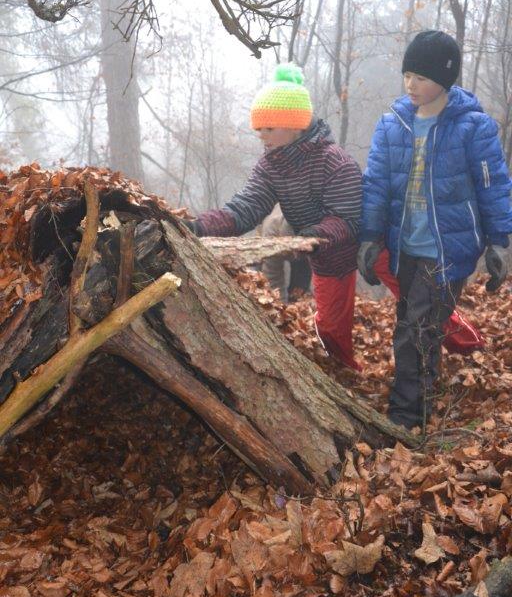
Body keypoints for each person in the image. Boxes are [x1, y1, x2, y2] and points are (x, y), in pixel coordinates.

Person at [358, 30, 512, 430]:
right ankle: (420, 398)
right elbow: (376, 185)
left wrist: (499, 242)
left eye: (421, 77)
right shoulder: (392, 125)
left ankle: (407, 419)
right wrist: (370, 237)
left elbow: (493, 185)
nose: (410, 84)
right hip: (406, 247)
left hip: (448, 250)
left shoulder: (473, 127)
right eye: (407, 75)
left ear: (444, 80)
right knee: (415, 324)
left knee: (418, 329)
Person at [183, 63, 363, 372]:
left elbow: (348, 218)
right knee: (329, 329)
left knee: (415, 307)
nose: (261, 135)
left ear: (295, 126)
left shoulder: (334, 162)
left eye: (268, 128)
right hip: (321, 255)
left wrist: (313, 236)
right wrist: (198, 227)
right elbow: (246, 207)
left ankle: (350, 375)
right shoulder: (271, 165)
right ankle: (342, 372)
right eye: (259, 129)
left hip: (356, 249)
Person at [259, 204, 312, 302]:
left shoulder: (317, 228)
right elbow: (273, 277)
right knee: (262, 278)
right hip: (271, 244)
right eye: (292, 250)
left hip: (307, 247)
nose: (295, 255)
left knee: (300, 289)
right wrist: (280, 305)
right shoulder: (270, 236)